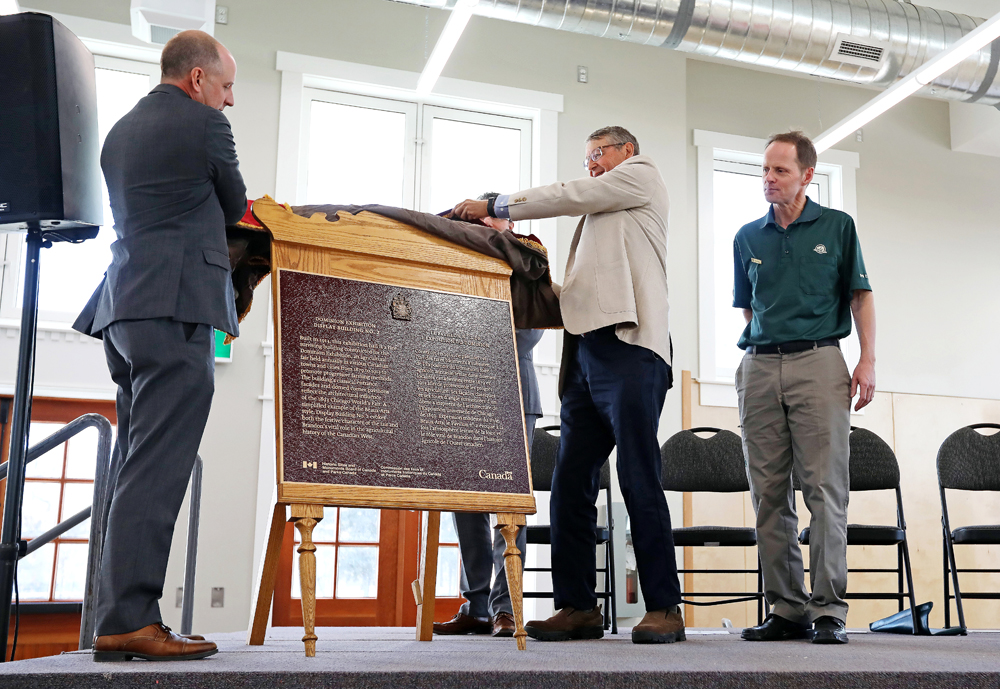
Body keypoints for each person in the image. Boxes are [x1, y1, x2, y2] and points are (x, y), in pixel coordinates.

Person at [454, 126, 683, 645]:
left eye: (600, 153)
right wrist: (512, 254)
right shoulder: (596, 225)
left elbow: (571, 194)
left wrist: (498, 204)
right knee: (568, 483)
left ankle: (665, 608)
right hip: (584, 355)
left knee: (638, 474)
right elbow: (573, 299)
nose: (592, 164)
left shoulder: (642, 179)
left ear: (629, 151)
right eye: (587, 158)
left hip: (631, 348)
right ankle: (577, 607)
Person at [73, 30, 247, 662]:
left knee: (132, 467)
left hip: (123, 310)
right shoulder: (203, 127)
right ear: (198, 79)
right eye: (226, 87)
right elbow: (235, 205)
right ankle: (129, 620)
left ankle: (116, 615)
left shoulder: (120, 131)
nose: (229, 102)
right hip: (176, 306)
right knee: (157, 468)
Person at [733, 131, 875, 646]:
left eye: (780, 171)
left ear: (807, 175)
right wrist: (765, 351)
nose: (768, 179)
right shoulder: (748, 236)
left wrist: (867, 361)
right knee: (769, 494)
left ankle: (828, 609)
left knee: (824, 491)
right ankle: (788, 608)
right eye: (765, 170)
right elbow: (748, 307)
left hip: (821, 362)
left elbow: (860, 297)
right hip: (759, 368)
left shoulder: (837, 227)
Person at [434, 193, 543, 638]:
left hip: (513, 395)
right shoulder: (459, 269)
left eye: (488, 223)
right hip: (461, 396)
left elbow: (527, 335)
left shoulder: (529, 260)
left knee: (506, 507)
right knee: (464, 504)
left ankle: (505, 607)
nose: (480, 230)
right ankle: (476, 604)